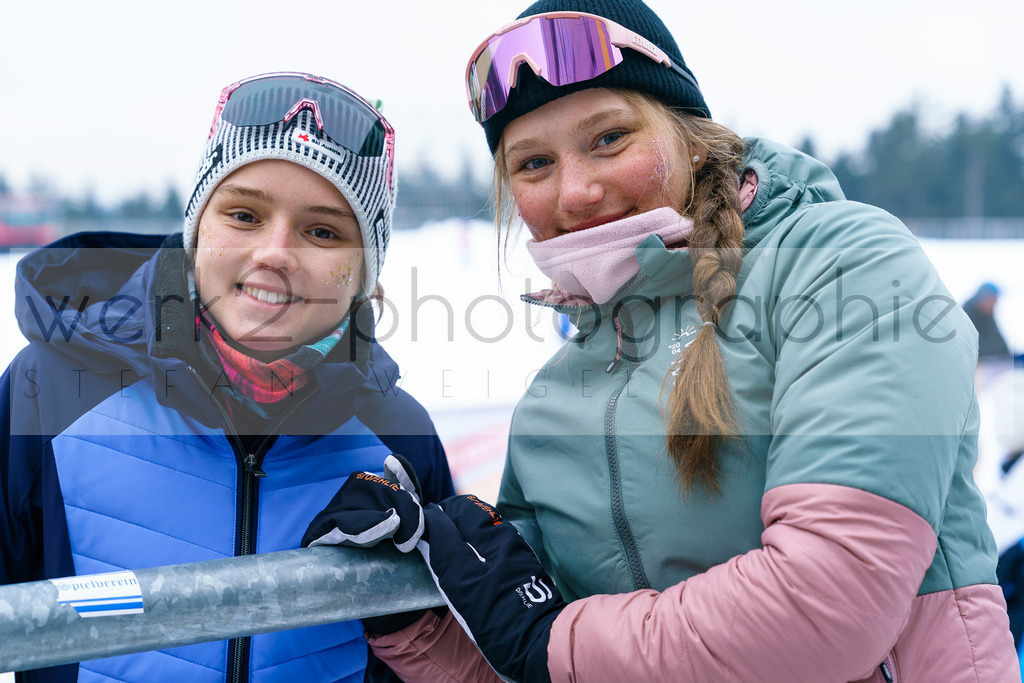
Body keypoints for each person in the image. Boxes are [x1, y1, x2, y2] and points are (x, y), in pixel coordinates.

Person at [304, 2, 1020, 681]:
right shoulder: (555, 397)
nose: (575, 191)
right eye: (533, 164)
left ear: (687, 133)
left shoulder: (842, 264)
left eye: (609, 138)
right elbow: (538, 662)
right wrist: (422, 615)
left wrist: (549, 642)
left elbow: (830, 605)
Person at [0, 72, 455, 682]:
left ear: (364, 276)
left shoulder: (399, 437)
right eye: (243, 215)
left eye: (323, 231)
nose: (275, 252)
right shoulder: (49, 394)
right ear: (196, 233)